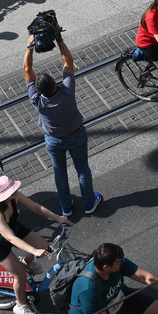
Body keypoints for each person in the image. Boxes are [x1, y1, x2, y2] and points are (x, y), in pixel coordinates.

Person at [25, 14, 102, 219]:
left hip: (53, 140)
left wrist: (29, 46)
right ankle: (89, 203)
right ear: (55, 83)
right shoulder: (67, 92)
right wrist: (58, 37)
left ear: (39, 90)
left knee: (60, 172)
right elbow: (68, 61)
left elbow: (27, 70)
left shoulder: (36, 99)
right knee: (82, 169)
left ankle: (66, 207)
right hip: (76, 135)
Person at [0, 173, 72, 314]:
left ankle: (26, 262)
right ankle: (21, 305)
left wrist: (58, 218)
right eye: (12, 190)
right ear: (4, 195)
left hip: (14, 228)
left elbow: (35, 207)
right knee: (20, 274)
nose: (16, 190)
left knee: (45, 246)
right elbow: (10, 238)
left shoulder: (15, 196)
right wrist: (34, 251)